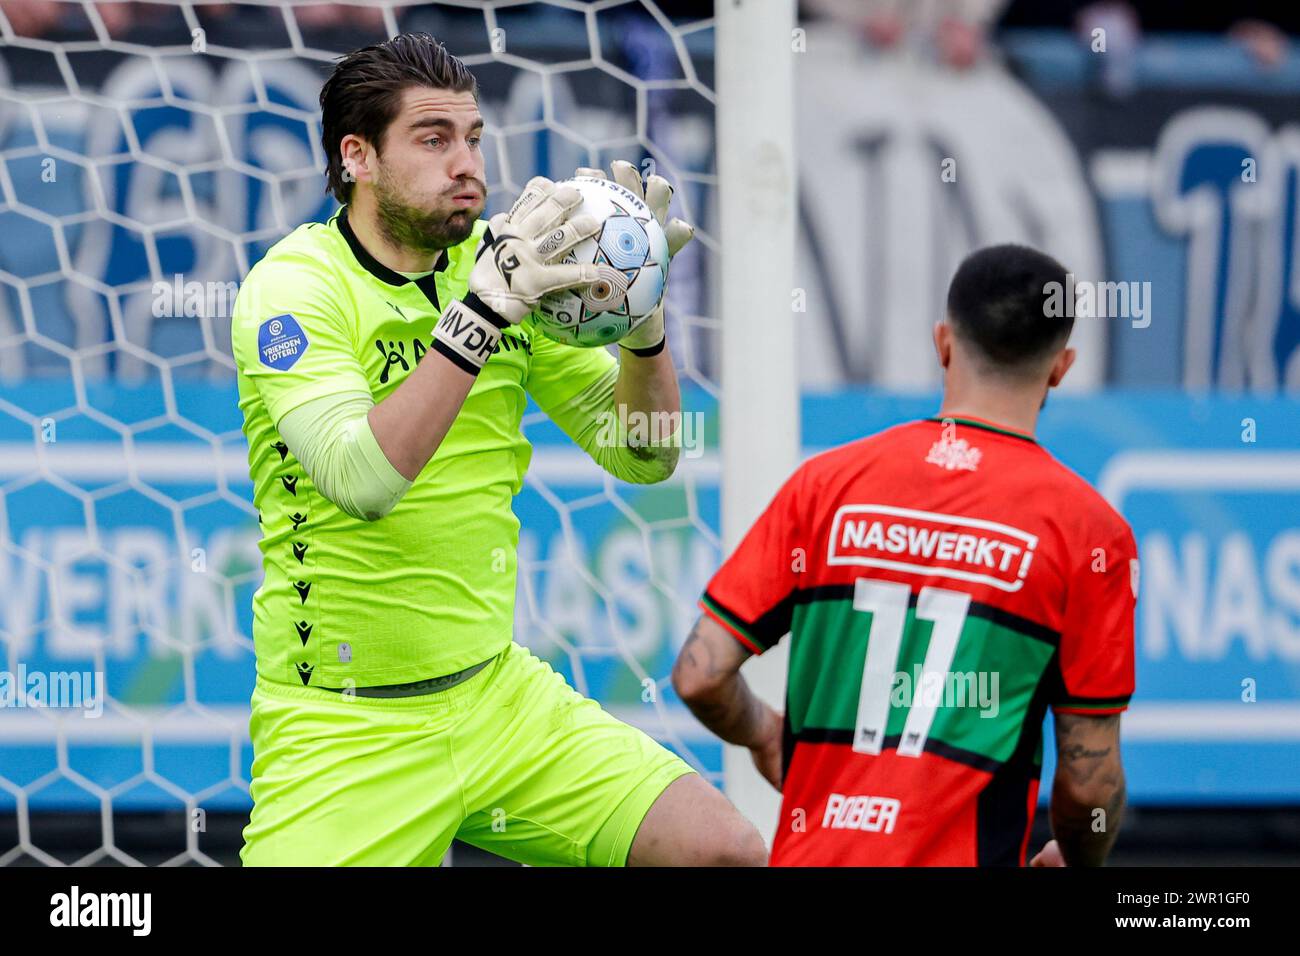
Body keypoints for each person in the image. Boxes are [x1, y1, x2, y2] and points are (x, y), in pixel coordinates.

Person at [231, 32, 764, 866]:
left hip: (498, 700)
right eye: (434, 139)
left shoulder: (507, 273)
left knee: (723, 850)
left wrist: (642, 326)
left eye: (474, 137)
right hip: (345, 724)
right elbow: (361, 480)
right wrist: (478, 320)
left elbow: (647, 454)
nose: (466, 162)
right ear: (357, 157)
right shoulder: (296, 288)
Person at [673, 244, 1135, 866]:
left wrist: (761, 731)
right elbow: (1087, 784)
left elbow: (700, 675)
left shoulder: (827, 485)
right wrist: (1076, 858)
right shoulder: (1089, 532)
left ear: (943, 343)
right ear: (1062, 367)